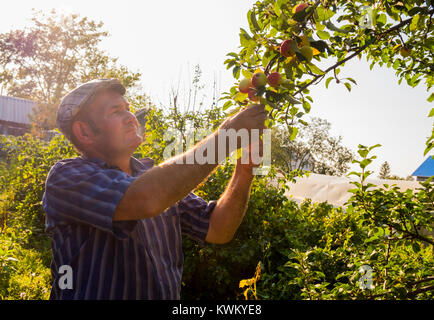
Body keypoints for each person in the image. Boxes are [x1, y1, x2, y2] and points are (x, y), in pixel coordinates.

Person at [42, 78, 267, 300]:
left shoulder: (155, 178)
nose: (131, 118)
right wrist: (226, 136)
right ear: (84, 133)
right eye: (116, 111)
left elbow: (219, 230)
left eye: (128, 109)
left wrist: (245, 170)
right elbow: (146, 199)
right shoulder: (66, 178)